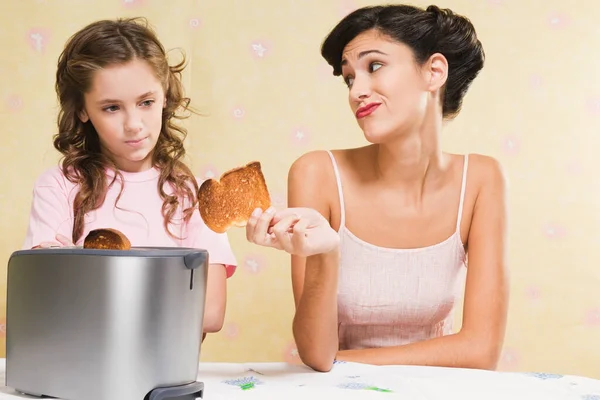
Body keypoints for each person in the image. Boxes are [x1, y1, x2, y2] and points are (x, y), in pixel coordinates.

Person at [246, 4, 508, 372]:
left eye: (374, 67)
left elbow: (481, 351)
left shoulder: (482, 180)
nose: (357, 92)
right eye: (350, 78)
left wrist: (342, 361)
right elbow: (316, 352)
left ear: (434, 71)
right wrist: (325, 253)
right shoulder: (317, 174)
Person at [22, 18, 237, 337]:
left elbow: (210, 313)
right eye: (111, 108)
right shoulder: (58, 186)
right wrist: (170, 305)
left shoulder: (190, 195)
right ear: (83, 110)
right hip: (81, 372)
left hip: (167, 377)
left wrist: (100, 303)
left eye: (146, 102)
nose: (134, 124)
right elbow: (50, 295)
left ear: (164, 96)